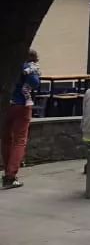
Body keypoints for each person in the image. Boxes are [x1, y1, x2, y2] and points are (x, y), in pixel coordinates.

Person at [1, 50, 42, 189]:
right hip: (21, 105)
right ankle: (10, 176)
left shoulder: (6, 64)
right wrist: (31, 70)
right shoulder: (26, 67)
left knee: (6, 139)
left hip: (5, 104)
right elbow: (34, 83)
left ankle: (7, 169)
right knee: (19, 140)